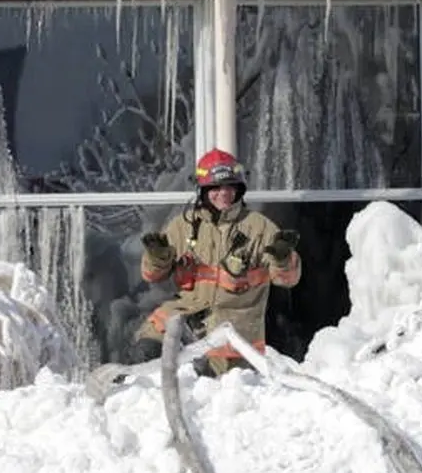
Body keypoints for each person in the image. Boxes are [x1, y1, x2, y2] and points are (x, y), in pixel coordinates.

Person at [128, 148, 301, 377]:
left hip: (234, 334)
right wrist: (157, 257)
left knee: (213, 390)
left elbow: (287, 280)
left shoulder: (259, 228)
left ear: (239, 188)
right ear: (203, 190)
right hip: (186, 319)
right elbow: (152, 276)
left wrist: (283, 259)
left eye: (230, 186)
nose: (223, 193)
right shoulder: (183, 226)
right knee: (145, 353)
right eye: (215, 188)